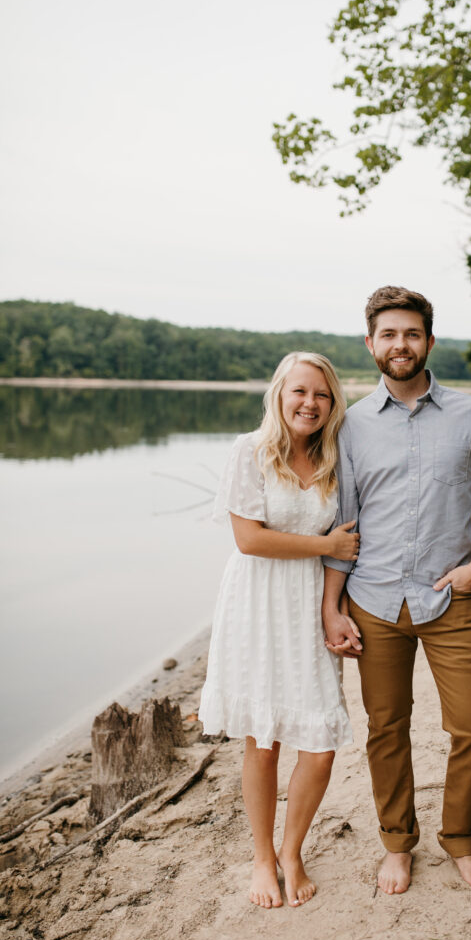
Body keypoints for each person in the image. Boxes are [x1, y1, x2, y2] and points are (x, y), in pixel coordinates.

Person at [322, 286, 471, 895]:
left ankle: (462, 839)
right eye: (388, 335)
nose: (399, 345)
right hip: (374, 601)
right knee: (386, 727)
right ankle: (397, 843)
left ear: (429, 341)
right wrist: (332, 608)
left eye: (411, 334)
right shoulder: (349, 425)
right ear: (370, 344)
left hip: (452, 597)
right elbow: (342, 526)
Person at [198, 352, 359, 910]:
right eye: (299, 392)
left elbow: (350, 539)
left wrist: (332, 607)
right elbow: (250, 539)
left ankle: (294, 851)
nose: (309, 403)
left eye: (321, 394)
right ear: (279, 394)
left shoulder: (337, 456)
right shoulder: (250, 450)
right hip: (255, 604)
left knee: (318, 746)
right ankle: (263, 859)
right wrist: (325, 545)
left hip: (306, 604)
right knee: (262, 744)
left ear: (332, 403)